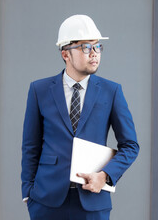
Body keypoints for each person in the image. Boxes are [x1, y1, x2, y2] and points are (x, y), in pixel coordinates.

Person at [21, 14, 139, 220]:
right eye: (86, 47)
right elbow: (31, 146)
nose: (94, 54)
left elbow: (131, 145)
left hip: (92, 202)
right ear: (65, 54)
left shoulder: (111, 92)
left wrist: (105, 176)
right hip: (46, 201)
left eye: (97, 47)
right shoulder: (39, 90)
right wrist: (28, 193)